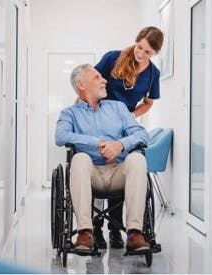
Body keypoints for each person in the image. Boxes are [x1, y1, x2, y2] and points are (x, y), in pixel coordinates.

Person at [55, 64, 149, 251]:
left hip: (118, 173)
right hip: (91, 175)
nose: (104, 80)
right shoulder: (70, 113)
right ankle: (84, 233)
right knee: (79, 158)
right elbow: (60, 137)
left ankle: (135, 233)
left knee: (138, 159)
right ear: (82, 85)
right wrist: (95, 142)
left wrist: (120, 144)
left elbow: (142, 134)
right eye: (98, 77)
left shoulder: (118, 108)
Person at [93, 26, 164, 249]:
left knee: (119, 170)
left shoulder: (153, 74)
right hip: (99, 121)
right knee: (97, 167)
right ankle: (94, 227)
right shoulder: (113, 58)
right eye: (140, 47)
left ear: (155, 54)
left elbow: (149, 103)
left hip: (123, 127)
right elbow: (92, 83)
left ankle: (114, 228)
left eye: (148, 52)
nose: (141, 54)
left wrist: (131, 115)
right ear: (136, 41)